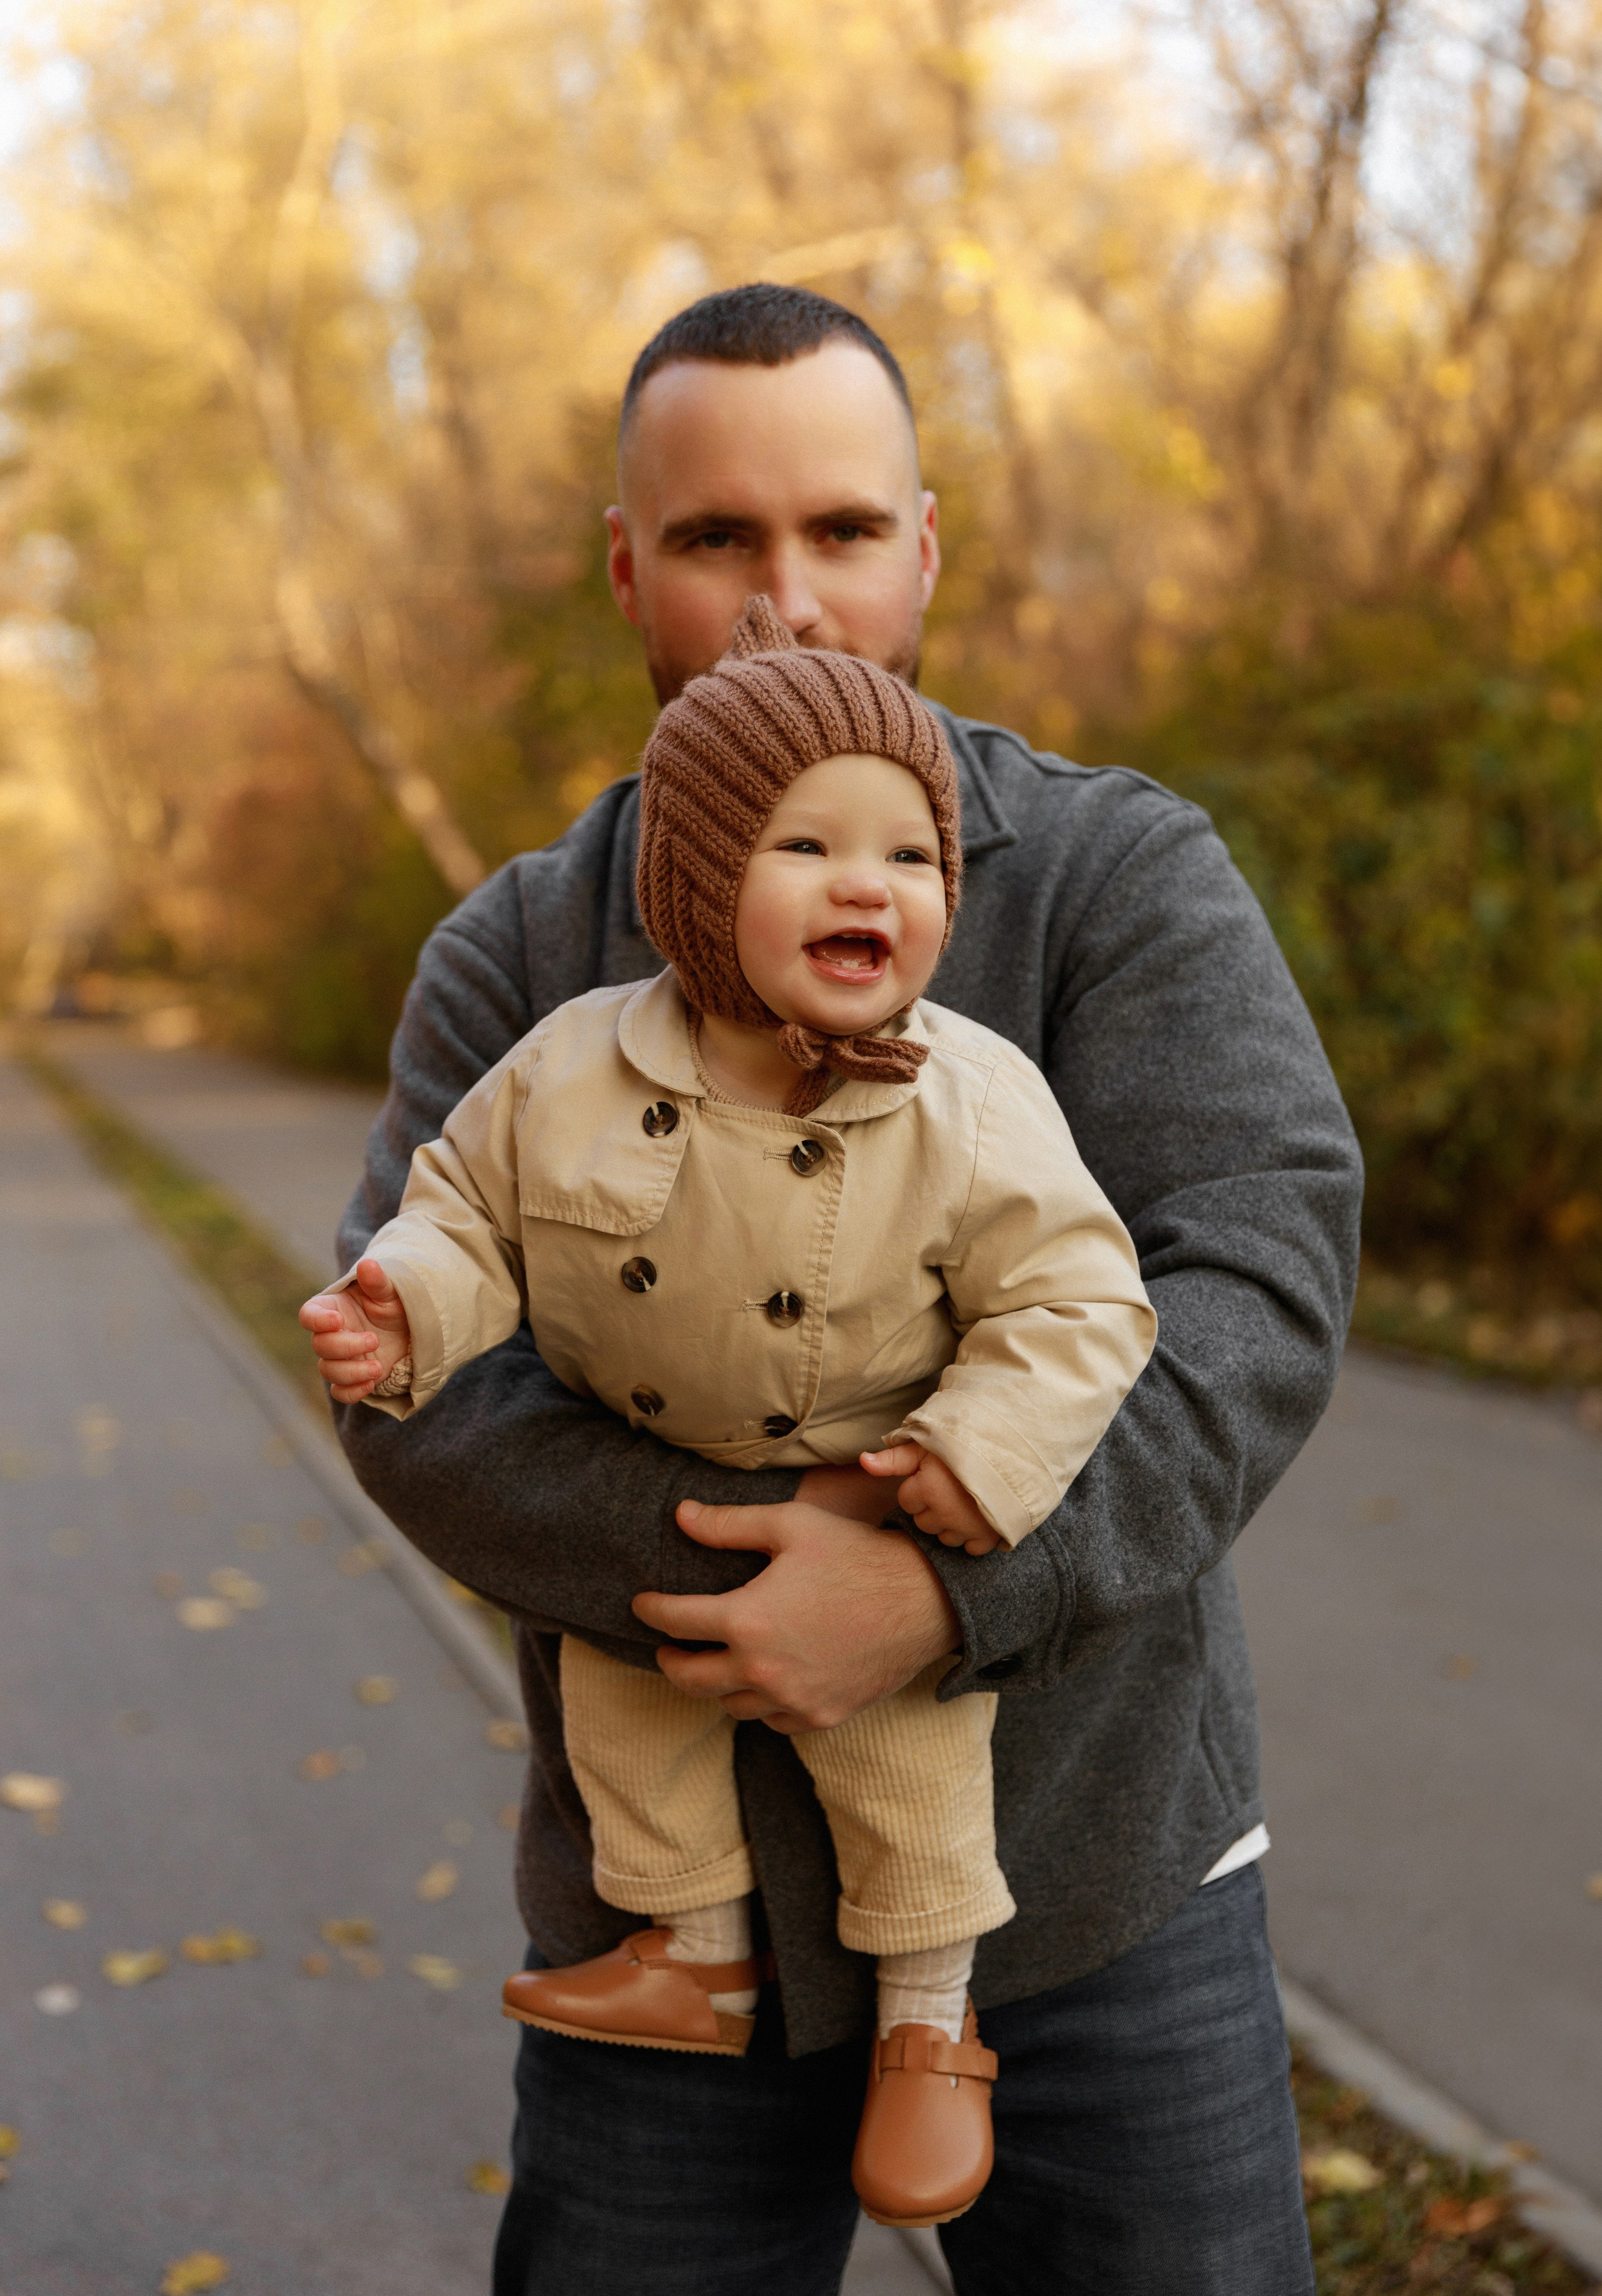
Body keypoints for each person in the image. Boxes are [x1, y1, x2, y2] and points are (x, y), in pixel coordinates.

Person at [334, 283, 1361, 2295]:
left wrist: (939, 1586)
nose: (782, 602)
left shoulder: (1112, 876)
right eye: (718, 539)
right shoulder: (521, 948)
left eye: (843, 532)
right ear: (631, 567)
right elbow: (421, 1388)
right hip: (663, 1931)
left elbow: (1254, 1278)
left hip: (1101, 1883)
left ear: (927, 547)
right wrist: (753, 1574)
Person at [301, 597, 1156, 2231]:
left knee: (909, 1767)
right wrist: (405, 1302)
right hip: (660, 1494)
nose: (868, 886)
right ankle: (688, 1954)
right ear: (696, 884)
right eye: (807, 847)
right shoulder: (571, 1066)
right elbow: (472, 1208)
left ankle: (927, 2023)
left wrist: (971, 1461)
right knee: (631, 1709)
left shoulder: (969, 1095)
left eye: (910, 859)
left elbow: (1084, 1297)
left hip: (875, 1504)